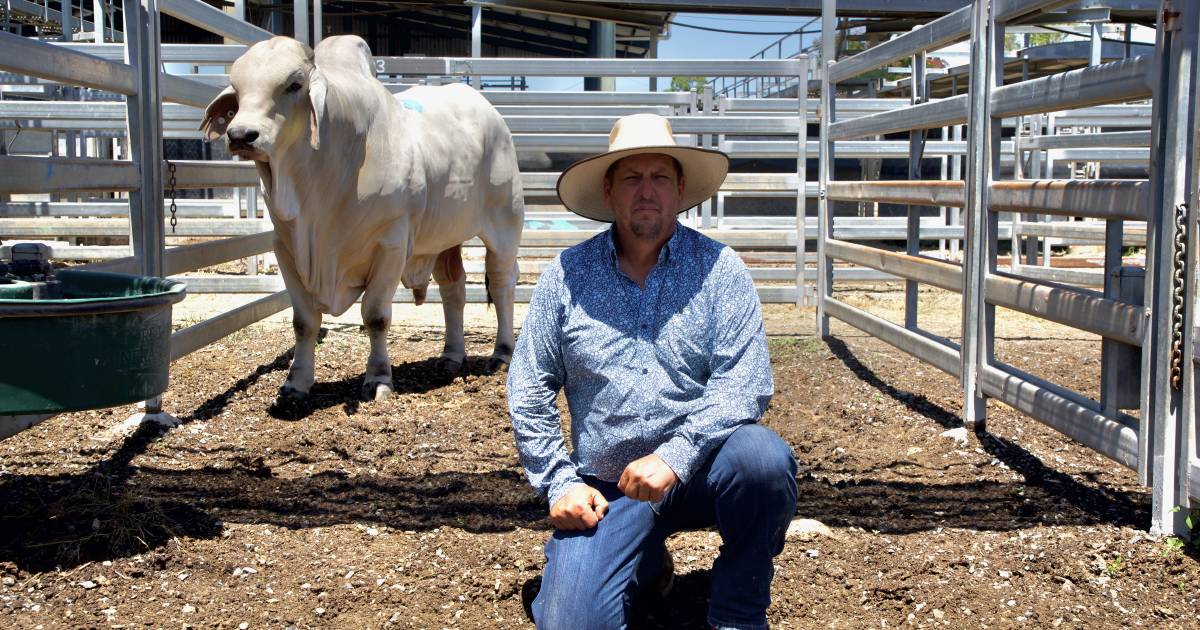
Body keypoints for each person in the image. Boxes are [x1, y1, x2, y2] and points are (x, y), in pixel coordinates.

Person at [506, 113, 798, 630]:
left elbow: (745, 382)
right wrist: (558, 485)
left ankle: (737, 612)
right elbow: (529, 388)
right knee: (573, 623)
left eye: (660, 178)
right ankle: (639, 563)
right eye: (632, 178)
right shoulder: (566, 277)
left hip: (700, 471)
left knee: (762, 461)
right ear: (610, 190)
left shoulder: (719, 269)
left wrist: (675, 456)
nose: (647, 191)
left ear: (681, 188)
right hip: (607, 486)